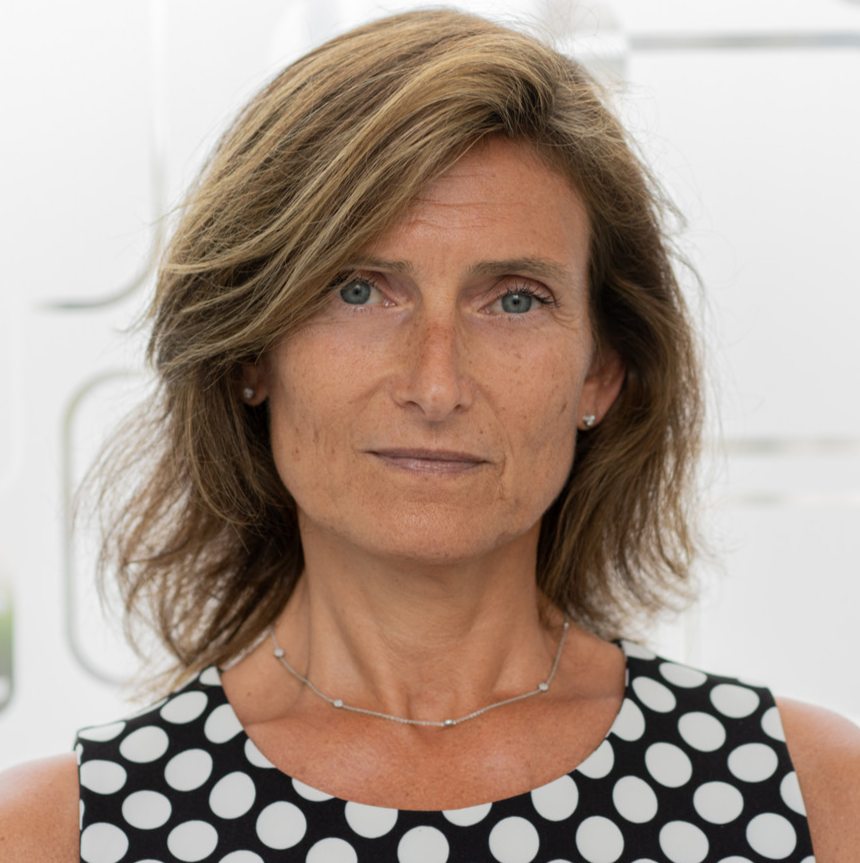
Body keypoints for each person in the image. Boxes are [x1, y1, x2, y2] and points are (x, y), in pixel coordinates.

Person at [2, 8, 859, 863]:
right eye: (359, 290)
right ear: (251, 352)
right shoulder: (49, 835)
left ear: (602, 372)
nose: (436, 386)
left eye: (514, 299)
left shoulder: (819, 801)